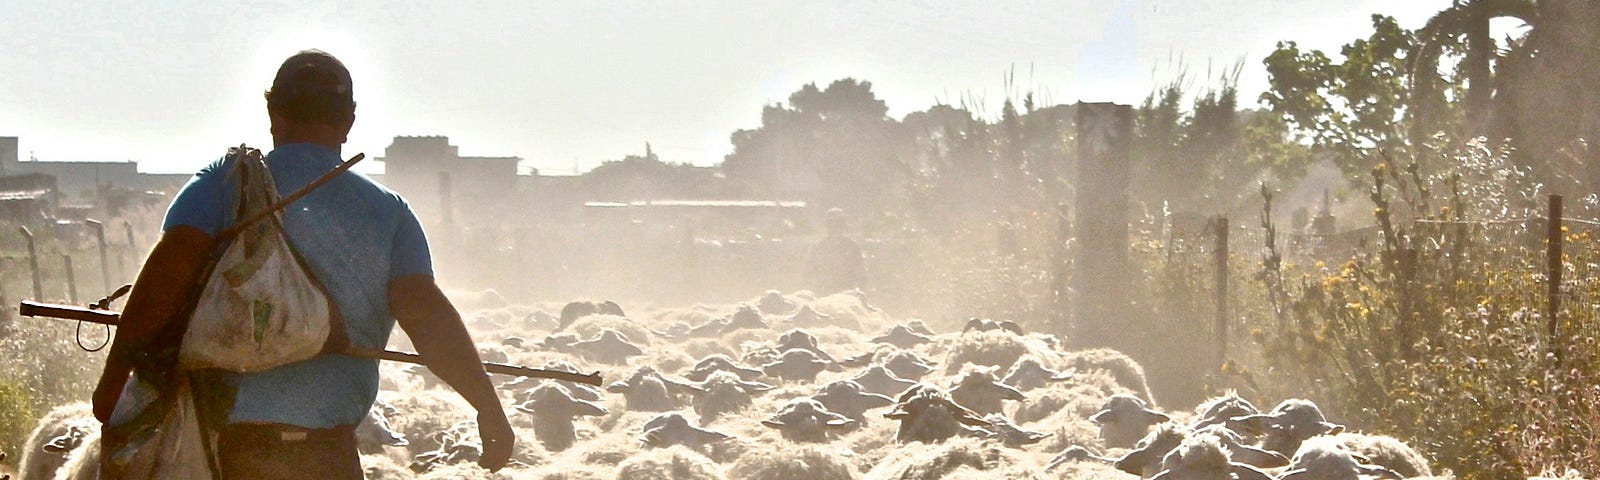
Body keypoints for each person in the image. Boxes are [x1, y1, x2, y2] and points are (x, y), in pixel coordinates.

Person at [90, 50, 513, 478]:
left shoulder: (228, 184)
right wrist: (488, 407)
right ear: (348, 121)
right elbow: (427, 317)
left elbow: (162, 285)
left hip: (225, 454)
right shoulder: (389, 212)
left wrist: (112, 384)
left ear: (274, 114)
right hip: (329, 457)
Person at [803, 208, 866, 295]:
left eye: (838, 224)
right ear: (827, 225)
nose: (835, 227)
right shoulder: (817, 247)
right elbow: (808, 272)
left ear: (843, 226)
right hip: (822, 293)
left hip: (846, 294)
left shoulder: (852, 247)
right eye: (832, 224)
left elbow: (860, 273)